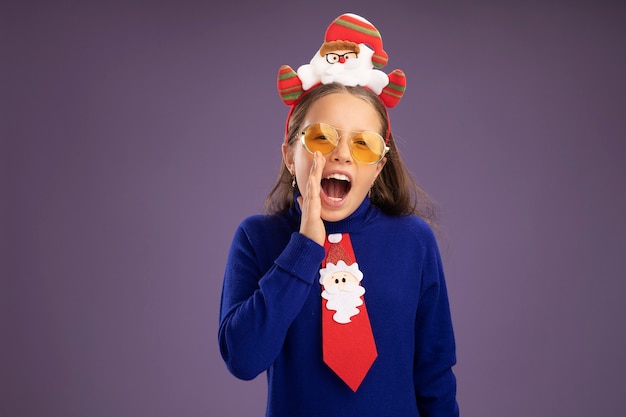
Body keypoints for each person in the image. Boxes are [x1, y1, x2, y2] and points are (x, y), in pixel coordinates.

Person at [218, 13, 459, 417]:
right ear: (290, 157)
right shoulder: (257, 239)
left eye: (362, 144)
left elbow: (434, 375)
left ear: (379, 166)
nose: (342, 153)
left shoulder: (414, 241)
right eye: (321, 137)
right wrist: (304, 247)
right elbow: (242, 357)